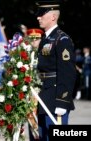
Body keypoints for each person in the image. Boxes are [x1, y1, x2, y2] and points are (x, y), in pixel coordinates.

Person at [35, 1, 76, 140]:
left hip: (55, 98)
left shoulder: (62, 39)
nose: (38, 17)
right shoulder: (45, 40)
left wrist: (62, 101)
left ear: (53, 17)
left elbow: (68, 73)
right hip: (44, 97)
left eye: (41, 14)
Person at [26, 28, 44, 141]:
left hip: (42, 92)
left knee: (42, 120)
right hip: (29, 92)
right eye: (31, 39)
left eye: (36, 38)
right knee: (30, 119)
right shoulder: (26, 54)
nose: (34, 41)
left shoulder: (44, 53)